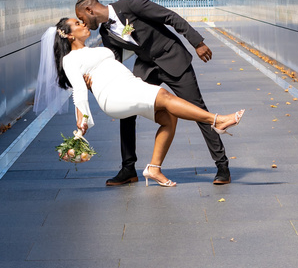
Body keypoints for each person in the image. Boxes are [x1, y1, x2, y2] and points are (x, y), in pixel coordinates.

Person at [38, 18, 244, 188]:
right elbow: (80, 90)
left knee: (169, 117)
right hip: (113, 94)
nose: (83, 24)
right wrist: (82, 122)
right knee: (164, 95)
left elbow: (124, 54)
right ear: (69, 34)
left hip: (128, 85)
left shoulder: (95, 48)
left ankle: (154, 168)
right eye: (77, 23)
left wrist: (127, 33)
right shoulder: (70, 59)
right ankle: (216, 120)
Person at [74, 0, 232, 187]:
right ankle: (128, 169)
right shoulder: (106, 33)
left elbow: (169, 17)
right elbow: (111, 63)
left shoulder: (130, 4)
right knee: (127, 111)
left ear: (90, 10)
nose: (84, 23)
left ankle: (222, 166)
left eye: (82, 18)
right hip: (147, 66)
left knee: (197, 109)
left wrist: (197, 43)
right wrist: (93, 81)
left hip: (172, 57)